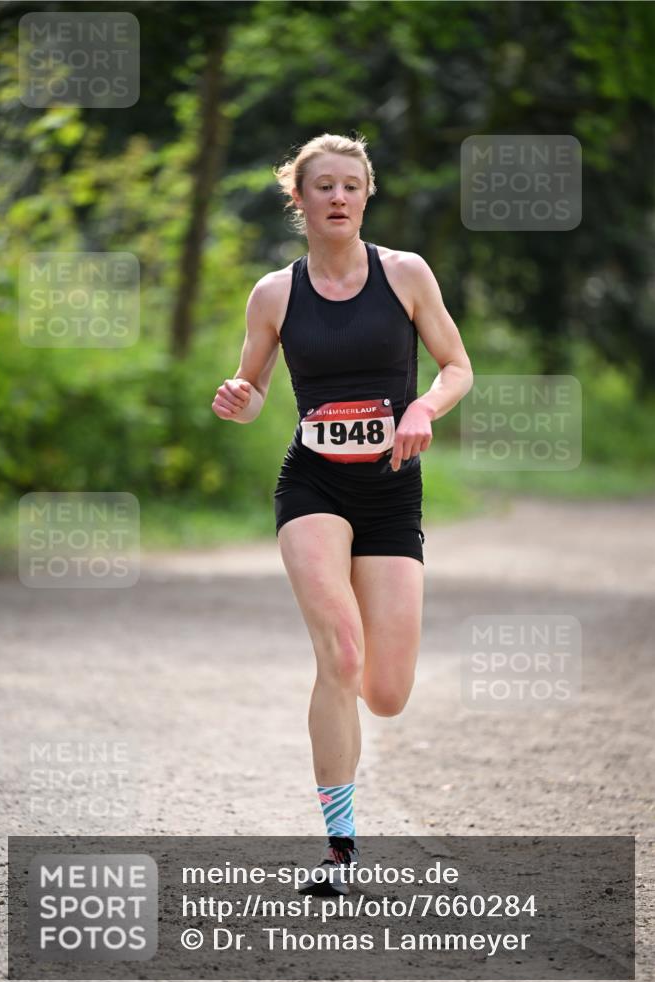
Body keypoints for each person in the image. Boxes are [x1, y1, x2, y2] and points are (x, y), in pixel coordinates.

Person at [212, 132, 473, 894]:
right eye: (322, 185)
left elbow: (456, 366)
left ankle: (350, 701)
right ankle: (339, 848)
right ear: (298, 198)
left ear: (366, 196)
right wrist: (238, 398)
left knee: (385, 691)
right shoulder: (274, 294)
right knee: (341, 654)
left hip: (391, 491)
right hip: (312, 488)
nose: (337, 197)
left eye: (350, 185)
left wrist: (422, 407)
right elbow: (252, 389)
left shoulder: (405, 274)